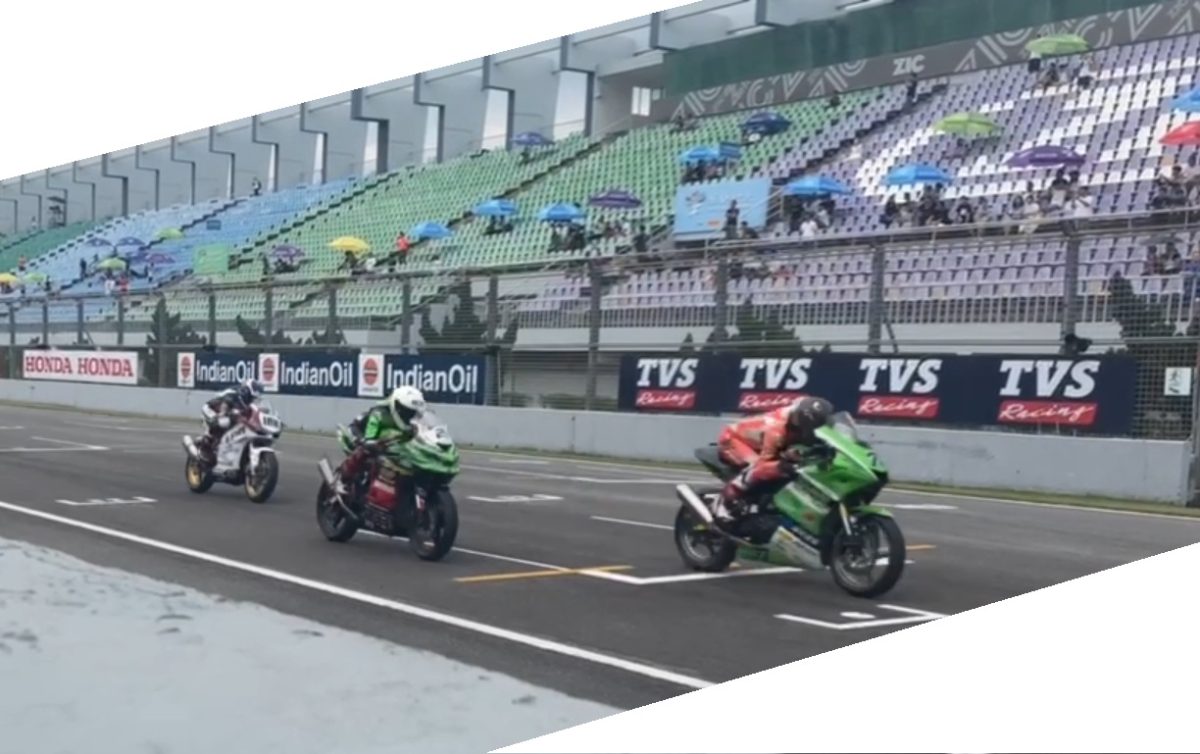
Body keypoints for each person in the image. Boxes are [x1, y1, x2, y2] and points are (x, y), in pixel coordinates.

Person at [712, 397, 836, 525]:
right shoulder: (777, 429)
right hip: (734, 440)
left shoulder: (806, 410)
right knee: (758, 469)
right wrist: (782, 465)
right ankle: (724, 503)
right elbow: (763, 464)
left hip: (763, 443)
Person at [335, 385, 428, 493]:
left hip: (385, 440)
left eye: (414, 413)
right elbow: (370, 435)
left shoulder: (410, 422)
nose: (410, 416)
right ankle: (343, 480)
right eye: (408, 412)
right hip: (359, 432)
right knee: (365, 450)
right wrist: (370, 442)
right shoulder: (379, 414)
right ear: (397, 407)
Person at [197, 379, 264, 463]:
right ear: (246, 391)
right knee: (222, 423)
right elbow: (226, 403)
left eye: (254, 398)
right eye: (251, 397)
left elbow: (254, 411)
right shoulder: (234, 393)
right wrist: (223, 413)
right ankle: (205, 447)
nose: (252, 399)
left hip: (227, 413)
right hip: (211, 409)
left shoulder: (247, 402)